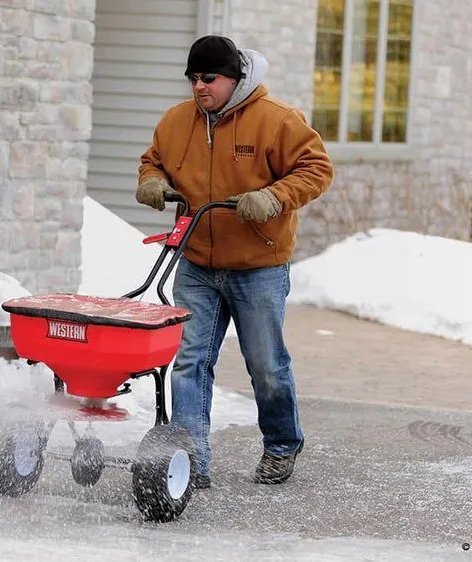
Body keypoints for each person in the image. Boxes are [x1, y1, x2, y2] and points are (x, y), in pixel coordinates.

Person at [136, 35, 334, 489]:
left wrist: (273, 196)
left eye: (209, 78)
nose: (199, 87)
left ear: (234, 77)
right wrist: (151, 181)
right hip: (197, 263)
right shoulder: (175, 122)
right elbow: (154, 161)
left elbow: (317, 168)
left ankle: (283, 444)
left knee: (265, 363)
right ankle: (190, 461)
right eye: (193, 78)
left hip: (258, 264)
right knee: (189, 361)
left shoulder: (277, 120)